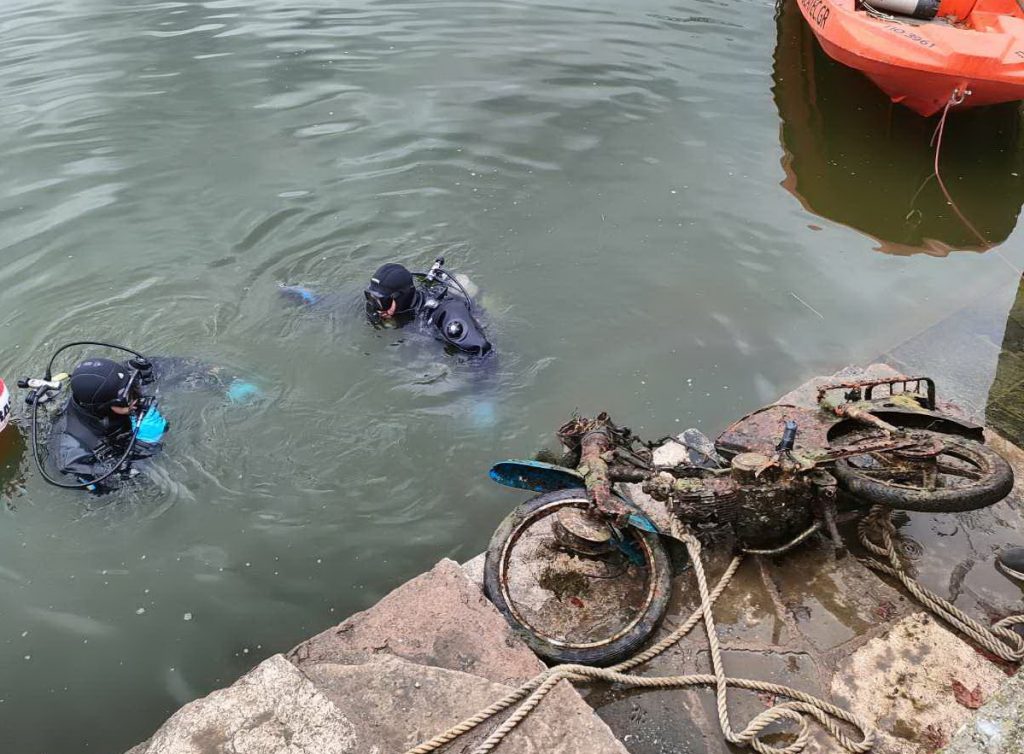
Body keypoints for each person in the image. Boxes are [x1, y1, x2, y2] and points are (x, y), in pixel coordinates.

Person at [46, 356, 168, 491]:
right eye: (128, 398)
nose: (136, 398)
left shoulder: (118, 381)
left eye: (133, 387)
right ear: (103, 407)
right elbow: (115, 483)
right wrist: (144, 446)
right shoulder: (71, 454)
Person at [362, 259, 492, 356]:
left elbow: (483, 351)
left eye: (382, 301)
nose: (376, 307)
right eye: (370, 297)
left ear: (400, 298)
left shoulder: (446, 313)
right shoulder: (379, 308)